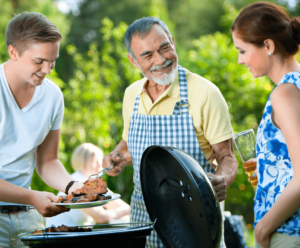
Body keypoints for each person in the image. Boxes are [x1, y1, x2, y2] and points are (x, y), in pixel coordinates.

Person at [102, 17, 238, 248]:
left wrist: (222, 179)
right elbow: (130, 145)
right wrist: (118, 156)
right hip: (144, 224)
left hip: (196, 225)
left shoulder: (205, 93)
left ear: (173, 42)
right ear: (133, 61)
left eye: (165, 47)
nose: (161, 59)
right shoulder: (131, 94)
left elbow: (227, 156)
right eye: (148, 55)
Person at [0, 12, 83, 247]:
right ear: (13, 52)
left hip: (28, 217)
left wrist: (72, 187)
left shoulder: (53, 95)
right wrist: (31, 196)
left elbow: (47, 161)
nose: (48, 70)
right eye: (39, 61)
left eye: (52, 60)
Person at [231, 2, 300, 248]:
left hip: (288, 233)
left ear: (268, 45)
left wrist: (261, 230)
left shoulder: (285, 93)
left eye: (242, 51)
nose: (240, 60)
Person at [46, 143, 130, 227]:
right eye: (97, 161)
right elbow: (101, 217)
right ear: (85, 162)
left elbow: (115, 204)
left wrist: (128, 209)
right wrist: (127, 211)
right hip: (61, 236)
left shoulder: (90, 183)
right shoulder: (77, 184)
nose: (101, 167)